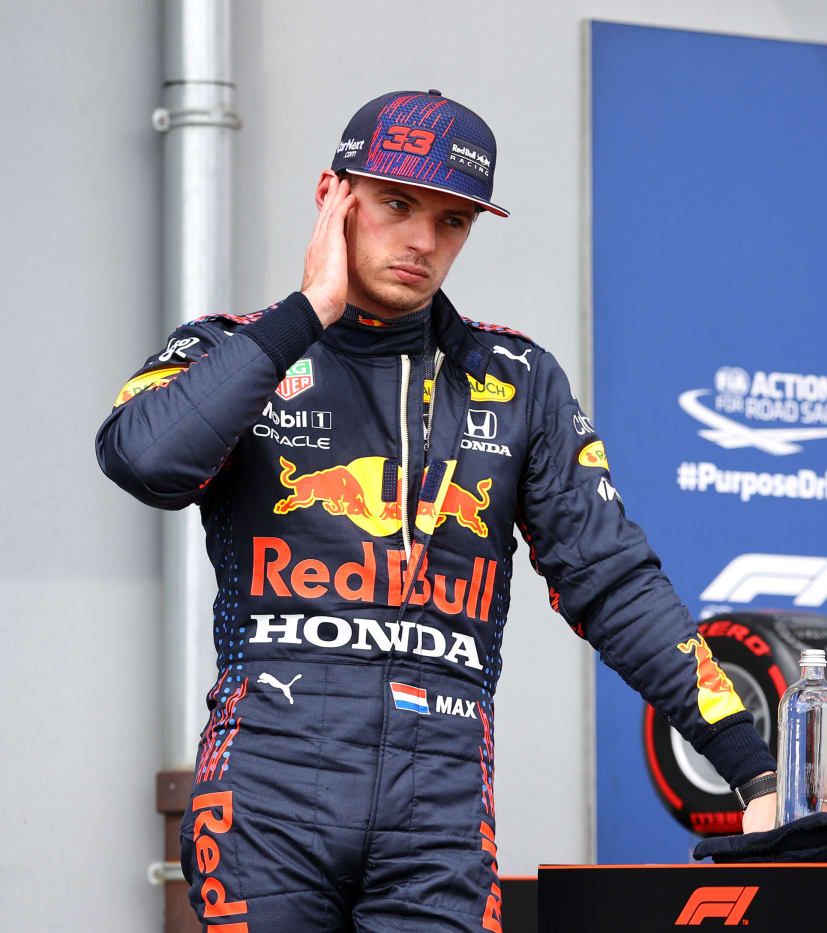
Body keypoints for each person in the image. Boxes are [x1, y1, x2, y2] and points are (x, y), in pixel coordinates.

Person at [96, 89, 777, 932]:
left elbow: (613, 581)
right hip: (263, 794)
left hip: (441, 807)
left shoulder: (520, 381)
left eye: (453, 220)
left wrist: (747, 763)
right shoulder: (229, 348)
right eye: (396, 203)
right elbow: (142, 458)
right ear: (332, 195)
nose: (422, 240)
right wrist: (306, 312)